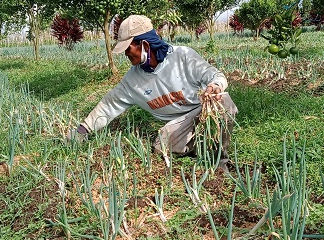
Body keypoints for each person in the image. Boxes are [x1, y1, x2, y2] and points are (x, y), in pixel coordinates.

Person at [66, 14, 237, 169]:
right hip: (176, 127)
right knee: (161, 147)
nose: (125, 53)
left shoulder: (182, 56)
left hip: (201, 113)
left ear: (145, 44)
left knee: (222, 101)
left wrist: (214, 86)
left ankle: (219, 161)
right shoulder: (132, 81)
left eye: (128, 47)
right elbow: (109, 105)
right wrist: (83, 130)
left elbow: (214, 75)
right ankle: (198, 146)